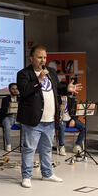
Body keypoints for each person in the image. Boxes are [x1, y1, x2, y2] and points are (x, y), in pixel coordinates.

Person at [17, 45, 82, 188]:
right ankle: (26, 176)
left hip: (50, 120)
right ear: (31, 58)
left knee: (46, 149)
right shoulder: (24, 74)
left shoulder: (51, 72)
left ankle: (47, 173)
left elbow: (57, 89)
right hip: (33, 120)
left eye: (45, 57)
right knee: (29, 149)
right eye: (40, 57)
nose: (43, 60)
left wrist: (67, 89)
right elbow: (24, 91)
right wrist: (38, 79)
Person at [0, 83, 20, 152]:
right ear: (9, 90)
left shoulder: (20, 99)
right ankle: (8, 144)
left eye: (16, 89)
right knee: (7, 125)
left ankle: (23, 145)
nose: (15, 90)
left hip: (18, 118)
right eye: (13, 89)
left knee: (26, 126)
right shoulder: (5, 99)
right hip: (9, 117)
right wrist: (8, 109)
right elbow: (2, 111)